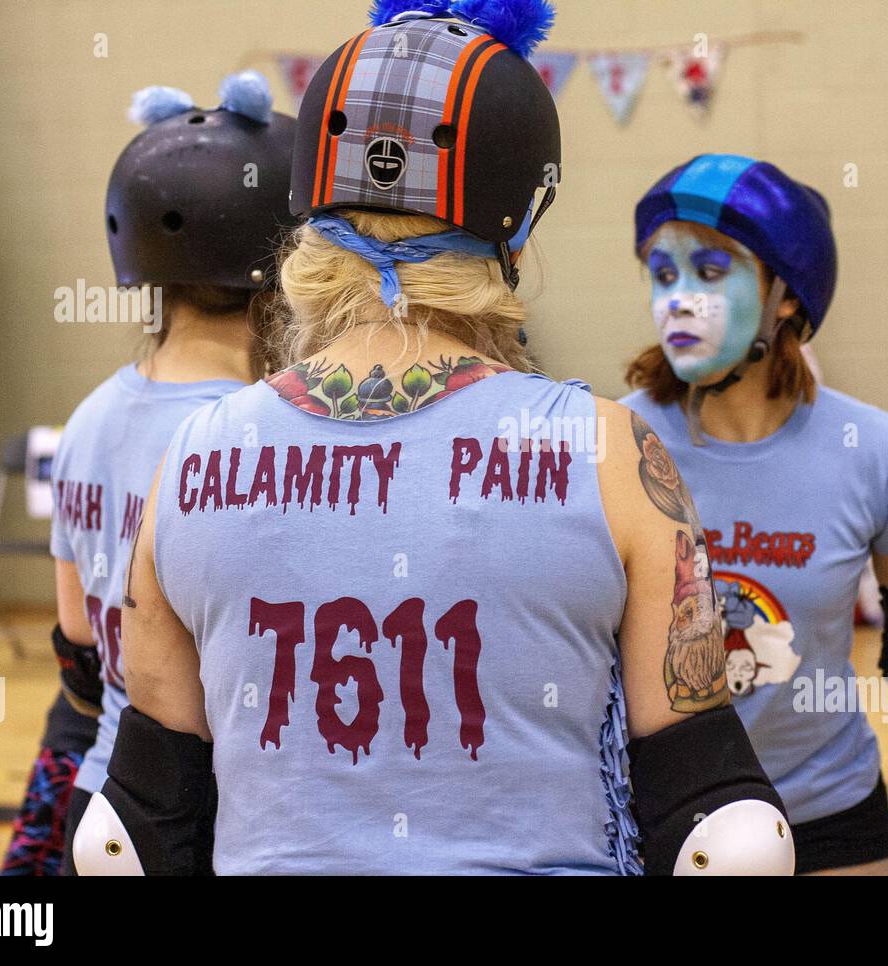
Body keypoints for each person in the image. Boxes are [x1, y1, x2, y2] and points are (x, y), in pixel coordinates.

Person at [73, 0, 792, 877]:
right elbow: (721, 829)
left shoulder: (193, 458)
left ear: (305, 212)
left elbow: (134, 836)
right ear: (519, 227)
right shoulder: (612, 454)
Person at [621, 153, 888, 874]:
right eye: (664, 275)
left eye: (711, 272)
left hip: (828, 814)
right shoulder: (614, 444)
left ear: (787, 296)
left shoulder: (875, 450)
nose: (678, 301)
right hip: (662, 821)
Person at [0, 71, 296, 875]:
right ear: (285, 265)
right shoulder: (261, 435)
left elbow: (77, 650)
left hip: (107, 803)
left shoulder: (90, 416)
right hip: (213, 816)